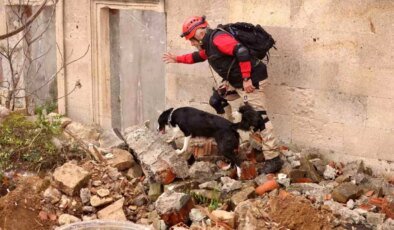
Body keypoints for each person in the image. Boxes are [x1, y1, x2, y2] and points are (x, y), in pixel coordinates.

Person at [162, 16, 283, 174]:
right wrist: (177, 59)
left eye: (191, 39)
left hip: (251, 80)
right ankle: (230, 133)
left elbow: (242, 51)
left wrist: (246, 78)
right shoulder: (209, 45)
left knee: (260, 119)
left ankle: (273, 158)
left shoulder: (218, 39)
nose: (191, 43)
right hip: (236, 81)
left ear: (199, 33)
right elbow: (197, 57)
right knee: (217, 100)